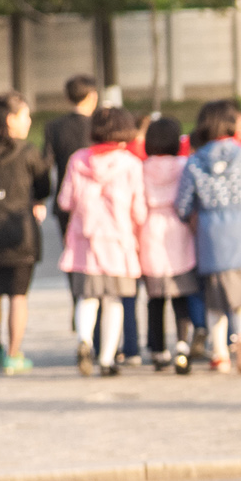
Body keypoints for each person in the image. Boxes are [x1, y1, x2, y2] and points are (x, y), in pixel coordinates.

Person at [176, 99, 241, 373]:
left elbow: (182, 204)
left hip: (211, 233)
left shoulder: (194, 162)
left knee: (215, 301)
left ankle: (220, 354)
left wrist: (191, 216)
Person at [58, 104, 148, 376]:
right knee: (114, 301)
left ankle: (84, 340)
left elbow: (65, 201)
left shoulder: (77, 159)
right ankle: (108, 359)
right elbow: (139, 210)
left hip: (85, 240)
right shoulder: (130, 163)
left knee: (88, 298)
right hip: (118, 241)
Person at [0, 92, 50, 374]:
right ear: (10, 119)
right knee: (18, 295)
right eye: (25, 115)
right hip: (20, 233)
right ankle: (13, 354)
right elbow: (44, 187)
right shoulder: (28, 152)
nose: (29, 121)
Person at [138, 115, 199, 374]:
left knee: (155, 299)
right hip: (179, 230)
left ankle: (158, 350)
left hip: (150, 230)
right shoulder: (184, 165)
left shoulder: (140, 168)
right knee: (181, 295)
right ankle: (183, 347)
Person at [43, 74, 99, 230]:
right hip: (95, 200)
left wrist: (41, 197)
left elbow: (46, 163)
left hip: (65, 198)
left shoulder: (54, 127)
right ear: (92, 96)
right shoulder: (99, 126)